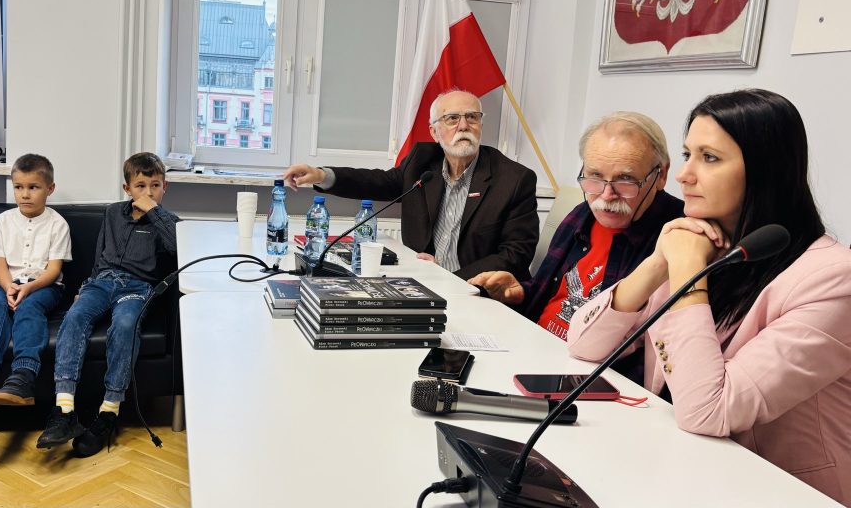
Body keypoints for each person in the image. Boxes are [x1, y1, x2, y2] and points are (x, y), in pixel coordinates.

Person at [566, 89, 851, 505]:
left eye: (710, 158)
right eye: (688, 154)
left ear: (765, 170)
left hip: (777, 491)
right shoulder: (702, 241)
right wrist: (657, 263)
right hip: (680, 463)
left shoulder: (833, 278)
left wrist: (685, 269)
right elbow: (583, 343)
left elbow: (708, 411)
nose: (684, 175)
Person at [469, 112, 684, 344]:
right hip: (532, 342)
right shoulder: (582, 214)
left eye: (625, 180)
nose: (606, 195)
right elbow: (551, 292)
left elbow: (650, 350)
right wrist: (520, 292)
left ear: (661, 175)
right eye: (595, 176)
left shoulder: (679, 237)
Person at [283, 90, 539, 281]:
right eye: (452, 118)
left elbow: (516, 255)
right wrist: (321, 175)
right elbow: (378, 182)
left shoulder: (514, 180)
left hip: (478, 292)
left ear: (481, 125)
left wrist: (451, 277)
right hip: (423, 281)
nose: (463, 126)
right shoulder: (422, 162)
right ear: (434, 132)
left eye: (472, 117)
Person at [36, 152, 179, 458]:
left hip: (138, 287)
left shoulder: (167, 221)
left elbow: (179, 245)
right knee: (74, 317)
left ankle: (109, 412)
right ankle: (64, 410)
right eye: (141, 186)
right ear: (127, 188)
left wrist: (154, 212)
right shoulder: (113, 213)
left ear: (164, 187)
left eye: (155, 185)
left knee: (125, 325)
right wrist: (86, 286)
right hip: (102, 282)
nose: (149, 192)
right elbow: (101, 254)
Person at [0, 154, 72, 410]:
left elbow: (54, 270)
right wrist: (9, 287)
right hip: (6, 283)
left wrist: (28, 288)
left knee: (29, 307)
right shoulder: (2, 222)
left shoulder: (58, 224)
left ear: (50, 188)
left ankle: (23, 376)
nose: (25, 194)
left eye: (33, 187)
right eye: (19, 187)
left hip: (44, 286)